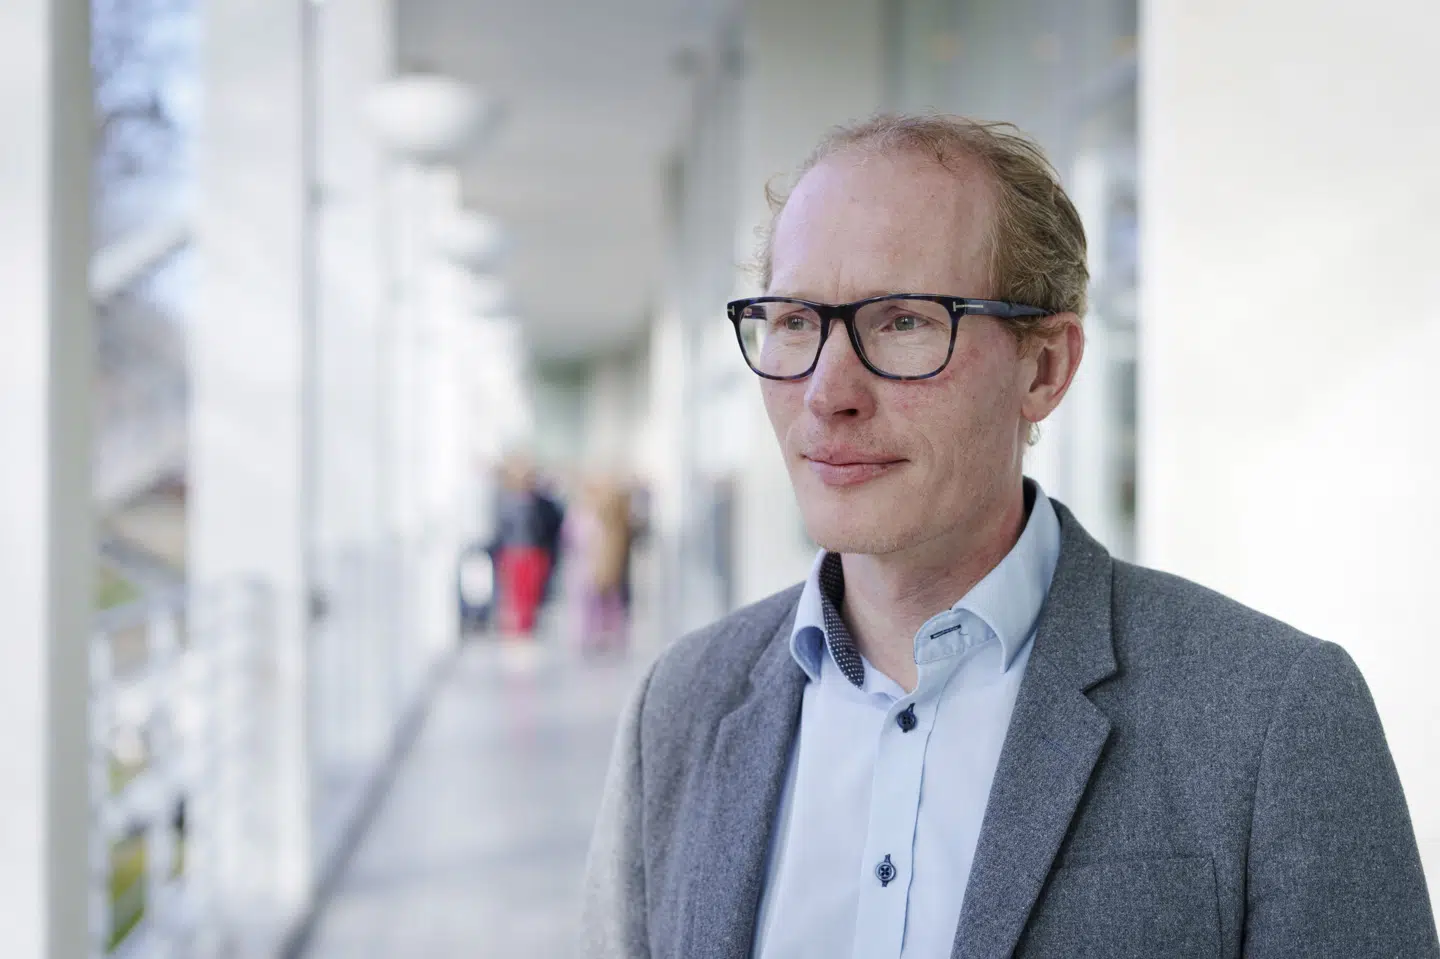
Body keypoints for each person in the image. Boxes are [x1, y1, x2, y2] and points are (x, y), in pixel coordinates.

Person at [581, 115, 1439, 957]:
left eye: (903, 320)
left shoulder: (1274, 716)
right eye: (796, 321)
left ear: (1045, 368)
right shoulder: (680, 706)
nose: (827, 392)